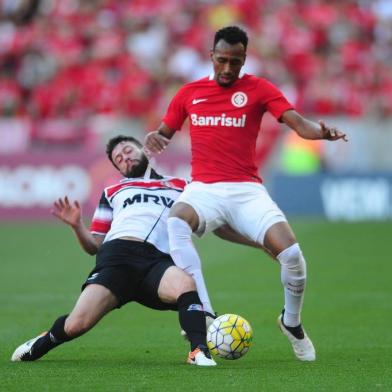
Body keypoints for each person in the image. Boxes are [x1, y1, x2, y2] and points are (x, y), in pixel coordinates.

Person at [145, 25, 348, 362]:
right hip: (204, 188)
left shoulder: (258, 89)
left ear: (244, 59)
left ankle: (291, 322)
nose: (227, 68)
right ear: (211, 56)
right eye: (222, 60)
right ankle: (204, 313)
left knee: (293, 257)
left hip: (246, 190)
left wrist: (320, 132)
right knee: (176, 221)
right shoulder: (189, 93)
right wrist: (157, 138)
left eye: (235, 62)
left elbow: (298, 123)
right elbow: (164, 131)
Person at [11, 135, 218, 366]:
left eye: (128, 150)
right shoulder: (113, 191)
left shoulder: (183, 186)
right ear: (117, 168)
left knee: (186, 284)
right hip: (117, 258)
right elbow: (94, 247)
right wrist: (77, 226)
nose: (125, 157)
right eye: (119, 158)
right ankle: (42, 342)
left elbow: (208, 215)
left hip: (156, 262)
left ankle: (198, 351)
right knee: (76, 324)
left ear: (143, 151)